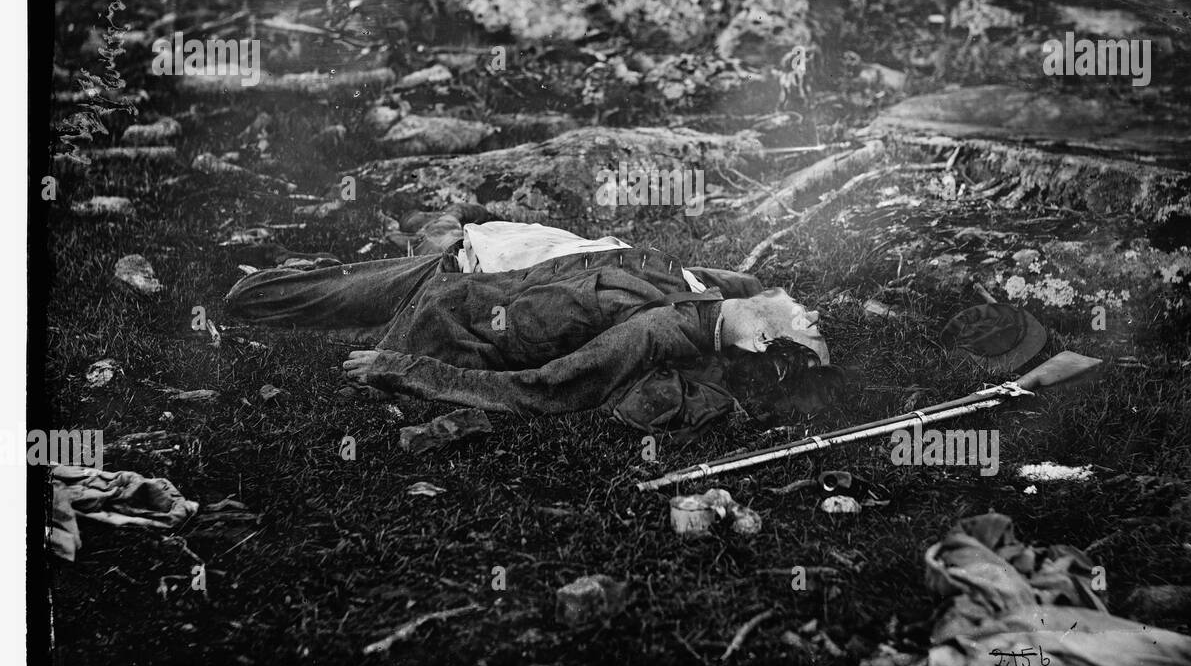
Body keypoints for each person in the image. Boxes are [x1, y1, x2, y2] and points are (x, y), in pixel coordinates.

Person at [223, 208, 830, 419]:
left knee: (259, 301)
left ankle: (295, 278)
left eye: (792, 321)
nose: (798, 309)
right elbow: (763, 289)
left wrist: (404, 369)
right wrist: (790, 319)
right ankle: (314, 264)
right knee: (288, 290)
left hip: (445, 308)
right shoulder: (723, 292)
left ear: (756, 345)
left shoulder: (659, 330)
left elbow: (541, 391)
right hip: (487, 256)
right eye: (804, 313)